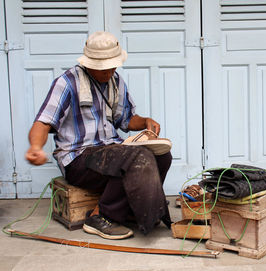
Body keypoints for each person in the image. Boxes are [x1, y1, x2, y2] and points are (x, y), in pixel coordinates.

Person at [25, 31, 172, 240]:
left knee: (161, 155)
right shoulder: (67, 82)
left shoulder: (116, 81)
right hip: (79, 158)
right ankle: (101, 217)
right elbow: (43, 122)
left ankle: (130, 209)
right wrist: (36, 148)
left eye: (112, 66)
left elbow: (127, 119)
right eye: (102, 67)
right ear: (88, 62)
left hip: (112, 151)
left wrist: (145, 122)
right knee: (134, 158)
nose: (108, 71)